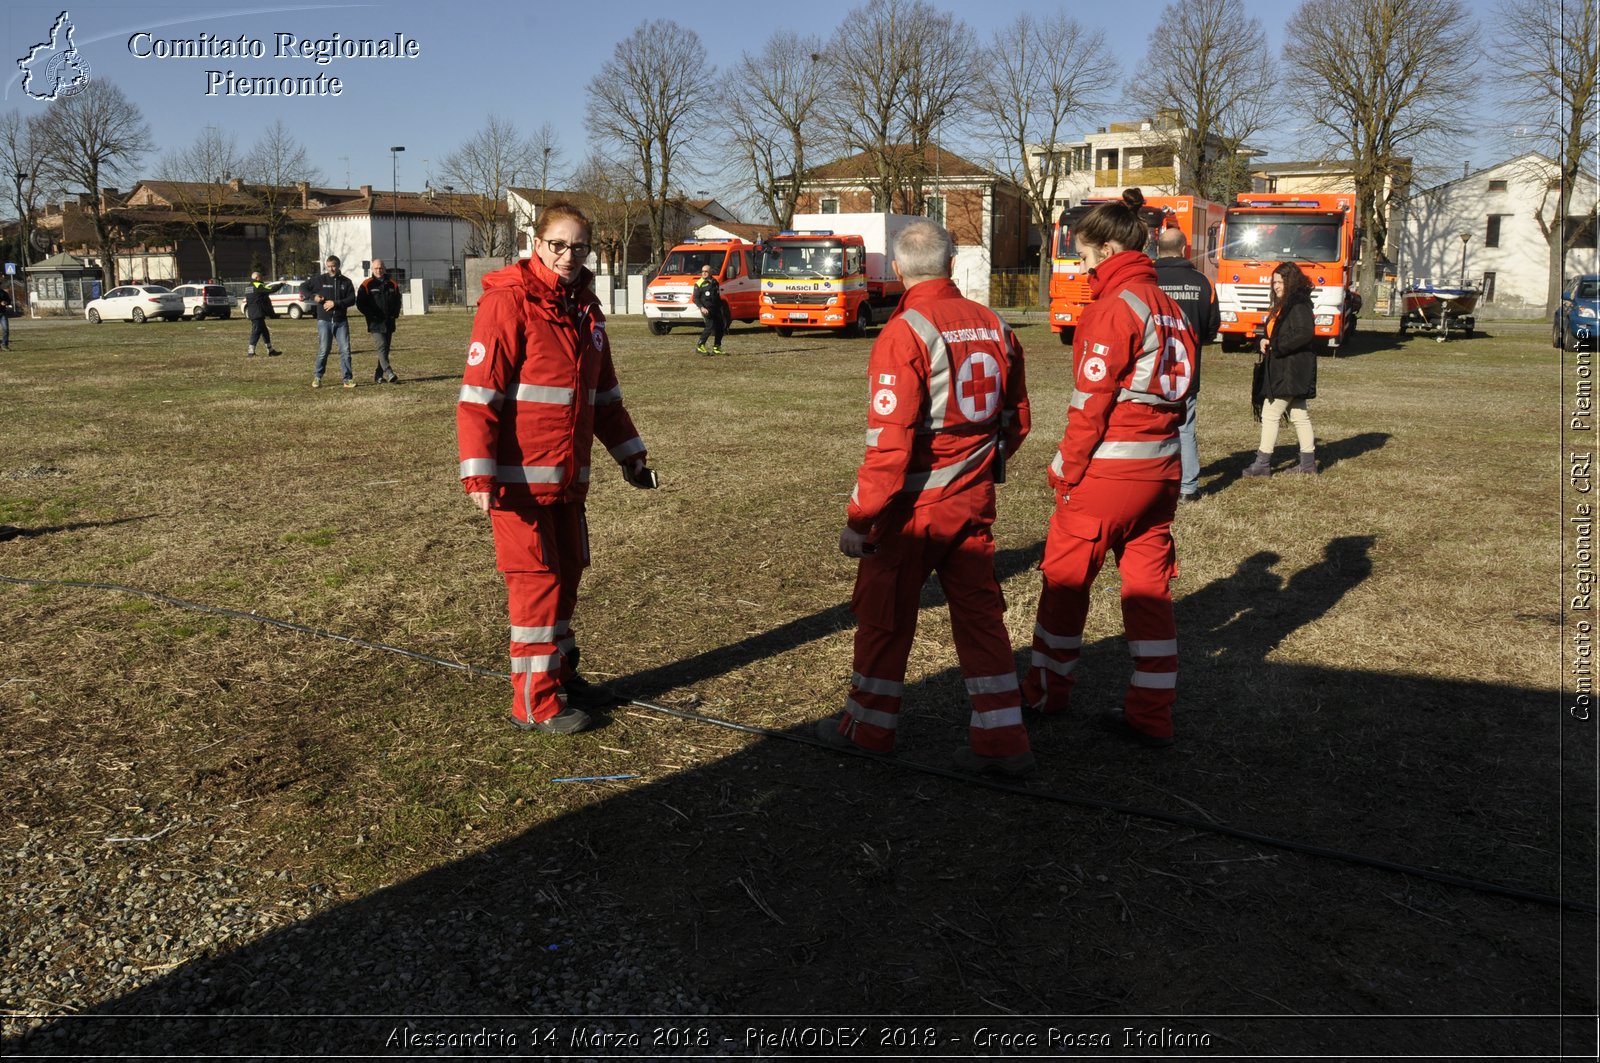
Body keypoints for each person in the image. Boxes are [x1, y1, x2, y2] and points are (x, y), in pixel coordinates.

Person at [817, 219, 1034, 777]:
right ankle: (1004, 737)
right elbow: (1017, 421)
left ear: (896, 268)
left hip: (913, 515)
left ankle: (869, 727)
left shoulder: (905, 330)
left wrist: (861, 521)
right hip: (974, 504)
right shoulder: (995, 323)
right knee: (982, 618)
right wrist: (978, 465)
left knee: (884, 618)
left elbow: (888, 448)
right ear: (953, 259)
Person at [457, 202, 654, 735]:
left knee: (568, 573)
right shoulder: (508, 303)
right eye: (558, 245)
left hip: (568, 481)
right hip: (517, 484)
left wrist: (631, 456)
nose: (569, 256)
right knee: (536, 585)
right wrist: (478, 472)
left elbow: (605, 399)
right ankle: (533, 701)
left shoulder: (587, 311)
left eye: (579, 246)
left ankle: (561, 673)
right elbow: (479, 397)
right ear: (536, 243)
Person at [1024, 189, 1196, 749]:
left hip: (1108, 474)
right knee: (1149, 595)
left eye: (1082, 254)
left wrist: (1065, 470)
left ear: (1103, 248)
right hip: (1162, 471)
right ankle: (1153, 712)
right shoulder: (1169, 306)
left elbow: (1089, 403)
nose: (1081, 265)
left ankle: (1046, 692)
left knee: (1065, 583)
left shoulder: (1115, 307)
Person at [1152, 228, 1219, 503]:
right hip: (1186, 370)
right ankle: (1188, 487)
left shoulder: (1148, 281)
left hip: (1151, 370)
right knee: (1186, 427)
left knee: (1151, 427)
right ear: (1184, 250)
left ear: (1158, 250)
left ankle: (1155, 482)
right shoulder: (1203, 283)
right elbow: (1212, 329)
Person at [1244, 262, 1319, 476]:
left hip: (1291, 369)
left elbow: (1304, 333)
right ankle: (1307, 465)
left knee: (1270, 413)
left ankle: (1262, 463)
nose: (1276, 286)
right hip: (1288, 367)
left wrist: (1276, 345)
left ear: (1291, 281)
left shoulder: (1298, 304)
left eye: (1280, 281)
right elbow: (1277, 332)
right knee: (1299, 414)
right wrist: (1263, 340)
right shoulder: (1285, 304)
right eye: (1274, 282)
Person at [304, 255, 357, 388]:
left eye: (333, 266)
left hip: (341, 322)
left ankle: (347, 379)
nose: (331, 269)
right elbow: (303, 287)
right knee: (324, 350)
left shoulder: (346, 282)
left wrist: (336, 303)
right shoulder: (320, 280)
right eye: (328, 266)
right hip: (324, 321)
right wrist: (313, 296)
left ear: (338, 266)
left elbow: (352, 299)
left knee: (345, 350)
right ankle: (317, 377)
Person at [356, 258, 402, 383]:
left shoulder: (393, 284)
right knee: (381, 346)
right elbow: (360, 303)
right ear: (372, 269)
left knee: (385, 349)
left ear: (384, 268)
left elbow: (398, 301)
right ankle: (389, 372)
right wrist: (370, 315)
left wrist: (395, 314)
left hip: (389, 322)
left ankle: (378, 375)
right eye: (376, 268)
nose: (378, 270)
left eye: (380, 268)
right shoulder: (367, 284)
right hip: (375, 322)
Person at [242, 272, 282, 358]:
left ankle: (270, 350)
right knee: (256, 332)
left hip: (253, 312)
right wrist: (281, 284)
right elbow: (270, 289)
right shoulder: (257, 285)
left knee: (265, 332)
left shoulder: (248, 287)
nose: (262, 279)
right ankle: (251, 352)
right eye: (261, 277)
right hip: (257, 313)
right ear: (256, 277)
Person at [692, 263, 726, 355]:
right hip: (706, 309)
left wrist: (721, 307)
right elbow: (695, 298)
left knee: (720, 327)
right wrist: (702, 308)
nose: (704, 273)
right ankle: (700, 345)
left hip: (716, 308)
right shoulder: (698, 283)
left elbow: (717, 296)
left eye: (706, 271)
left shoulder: (715, 282)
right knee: (710, 327)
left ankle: (717, 347)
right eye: (702, 271)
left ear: (710, 272)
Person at [0, 285, 12, 351]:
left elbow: (9, 300)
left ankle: (4, 344)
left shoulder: (3, 293)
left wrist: (6, 302)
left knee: (6, 329)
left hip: (2, 313)